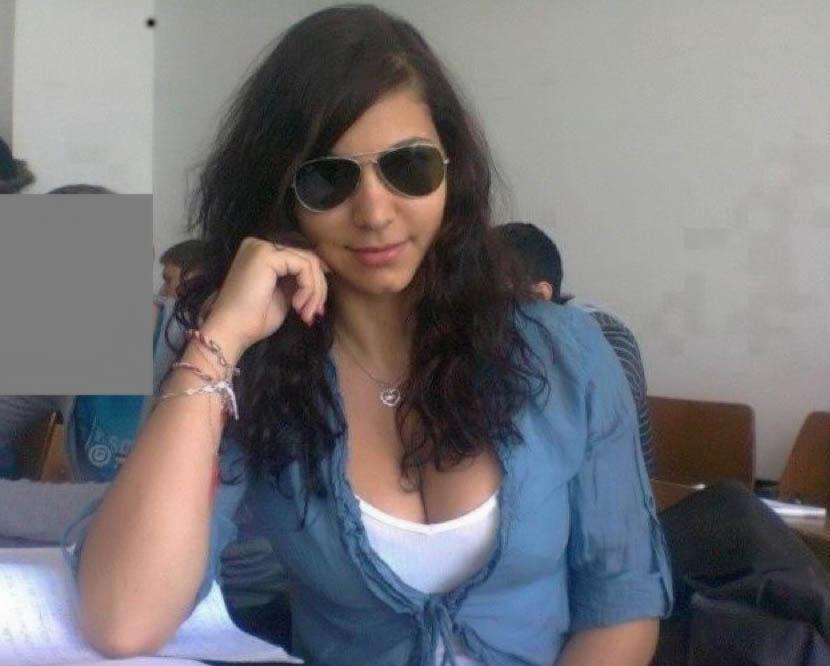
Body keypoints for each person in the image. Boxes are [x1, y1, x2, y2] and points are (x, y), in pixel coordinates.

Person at [72, 6, 671, 665]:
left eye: (408, 166)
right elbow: (123, 618)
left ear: (452, 170)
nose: (375, 212)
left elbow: (621, 605)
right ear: (280, 195)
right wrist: (221, 337)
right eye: (328, 178)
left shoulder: (566, 354)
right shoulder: (259, 372)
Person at [497, 222, 657, 477]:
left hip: (609, 493)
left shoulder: (607, 341)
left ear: (540, 295)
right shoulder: (498, 341)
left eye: (492, 298)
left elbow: (592, 456)